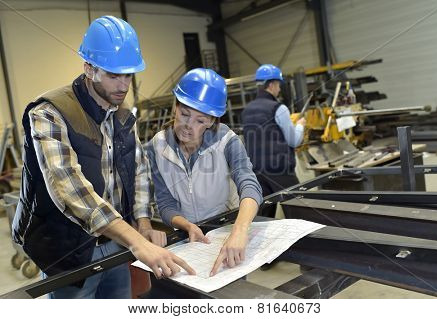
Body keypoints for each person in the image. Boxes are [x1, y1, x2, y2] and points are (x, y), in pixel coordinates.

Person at [12, 16, 194, 299]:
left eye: (128, 75)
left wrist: (143, 224)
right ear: (89, 68)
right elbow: (69, 189)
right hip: (68, 249)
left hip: (116, 243)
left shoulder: (122, 116)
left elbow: (139, 173)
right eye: (113, 75)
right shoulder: (49, 113)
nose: (123, 86)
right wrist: (137, 241)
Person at [146, 68, 263, 276]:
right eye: (184, 114)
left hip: (226, 233)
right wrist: (186, 225)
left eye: (200, 120)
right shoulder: (157, 146)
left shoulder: (227, 141)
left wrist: (239, 230)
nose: (187, 126)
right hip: (187, 239)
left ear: (211, 121)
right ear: (175, 106)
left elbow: (250, 185)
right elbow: (164, 203)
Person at [241, 64, 306, 219]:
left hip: (256, 172)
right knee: (299, 212)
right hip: (280, 171)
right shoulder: (278, 108)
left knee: (263, 218)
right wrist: (300, 126)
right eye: (278, 85)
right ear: (271, 84)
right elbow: (294, 140)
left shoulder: (246, 110)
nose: (279, 89)